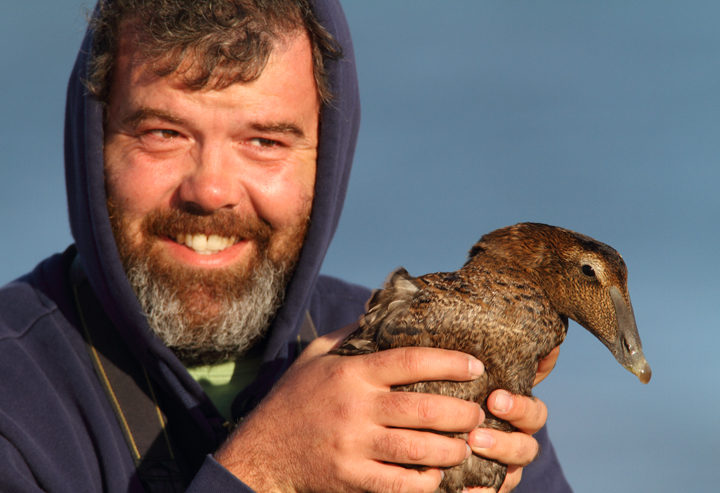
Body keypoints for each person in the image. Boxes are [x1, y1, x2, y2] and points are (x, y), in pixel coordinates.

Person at [0, 0, 572, 492]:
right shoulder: (16, 395)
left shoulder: (451, 373)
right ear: (93, 142)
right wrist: (269, 469)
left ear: (328, 162)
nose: (211, 190)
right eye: (163, 133)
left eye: (264, 141)